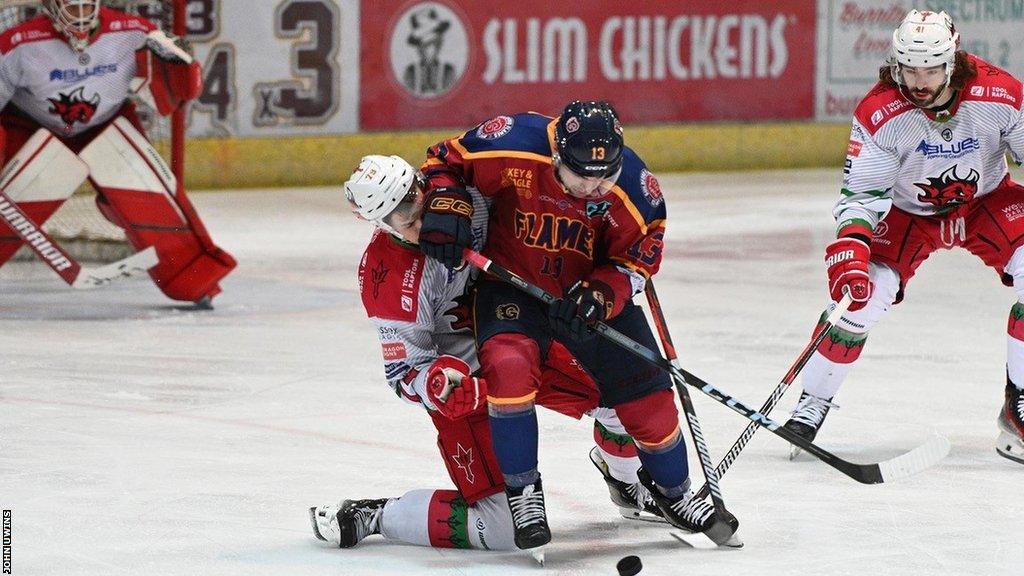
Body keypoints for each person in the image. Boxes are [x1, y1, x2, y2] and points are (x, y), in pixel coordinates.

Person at [417, 100, 734, 549]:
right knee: (507, 368)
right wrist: (447, 204)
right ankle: (523, 493)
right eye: (582, 174)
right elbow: (443, 160)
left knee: (648, 391)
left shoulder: (637, 191)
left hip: (587, 297)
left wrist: (601, 295)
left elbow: (635, 262)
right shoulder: (513, 141)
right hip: (512, 286)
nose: (593, 186)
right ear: (557, 154)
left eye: (604, 176)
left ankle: (674, 493)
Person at [309, 154, 663, 551]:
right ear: (380, 224)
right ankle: (380, 515)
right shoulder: (387, 277)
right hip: (471, 383)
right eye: (403, 220)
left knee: (622, 397)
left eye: (415, 201)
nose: (420, 222)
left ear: (422, 183)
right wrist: (439, 382)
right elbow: (404, 373)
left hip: (526, 340)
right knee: (502, 532)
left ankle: (628, 484)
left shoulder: (471, 197)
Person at [783, 9, 1024, 465]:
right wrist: (852, 251)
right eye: (909, 68)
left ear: (952, 64)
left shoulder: (1001, 94)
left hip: (986, 201)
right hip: (905, 214)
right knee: (862, 297)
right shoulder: (880, 113)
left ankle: (1021, 408)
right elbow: (860, 197)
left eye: (930, 69)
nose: (919, 80)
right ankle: (811, 402)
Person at [0, 0, 235, 305]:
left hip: (106, 122)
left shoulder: (132, 32)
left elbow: (179, 92)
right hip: (31, 126)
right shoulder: (18, 43)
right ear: (50, 6)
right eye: (73, 8)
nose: (82, 17)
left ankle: (194, 281)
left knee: (149, 196)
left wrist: (183, 67)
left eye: (87, 7)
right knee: (16, 199)